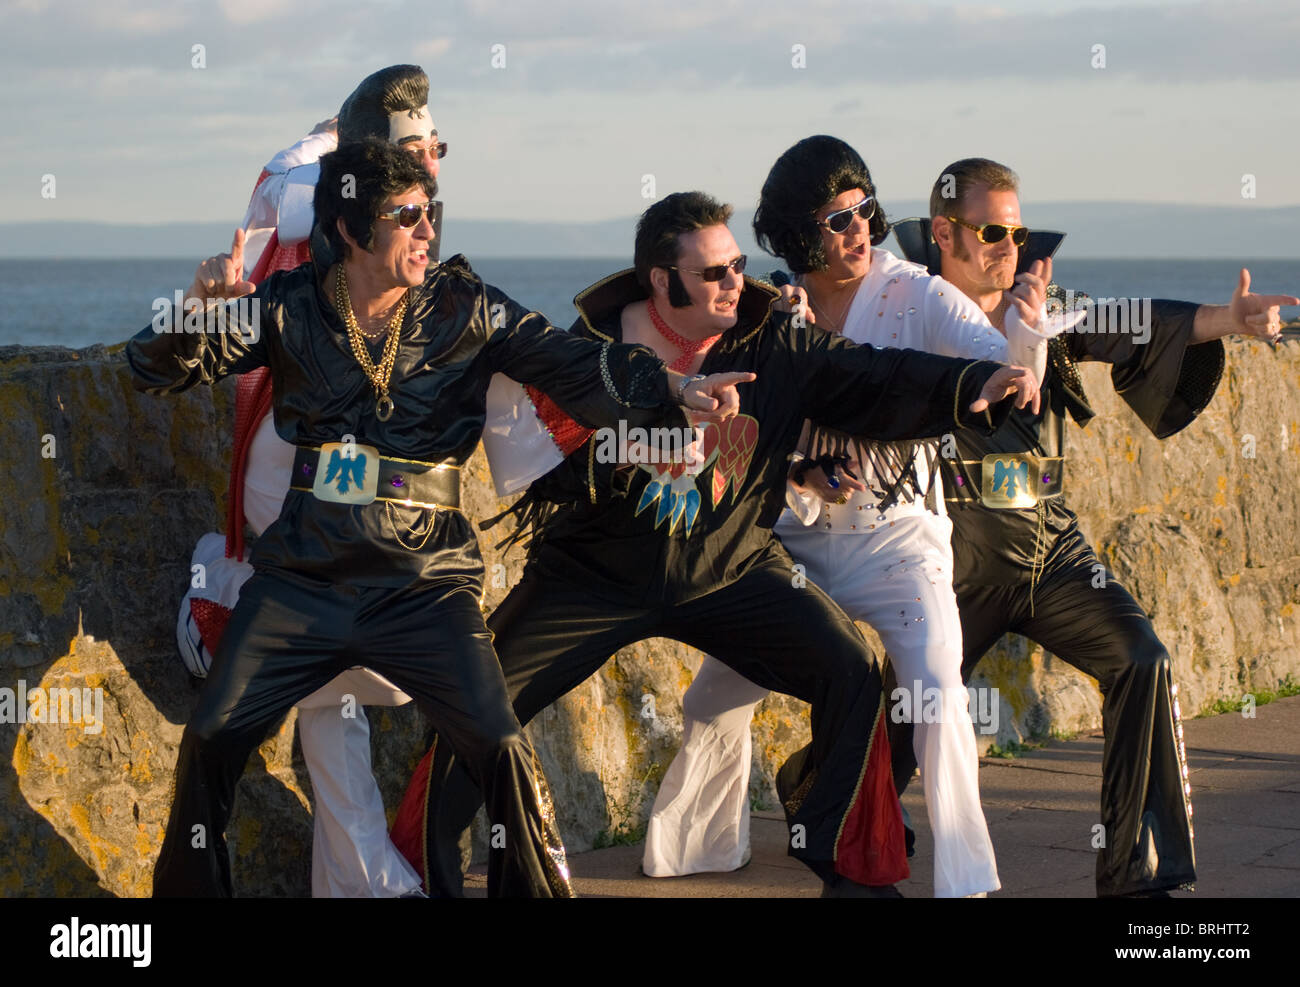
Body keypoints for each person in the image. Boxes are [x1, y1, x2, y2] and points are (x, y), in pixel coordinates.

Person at [132, 138, 750, 897]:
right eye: (409, 216)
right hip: (304, 578)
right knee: (210, 740)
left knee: (499, 744)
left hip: (424, 581)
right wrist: (196, 310)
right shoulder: (290, 308)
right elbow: (155, 367)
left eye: (434, 213)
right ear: (353, 232)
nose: (429, 231)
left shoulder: (469, 308)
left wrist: (671, 388)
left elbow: (571, 362)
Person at [392, 190, 1043, 898]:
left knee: (848, 668)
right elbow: (507, 405)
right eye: (713, 274)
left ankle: (851, 869)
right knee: (475, 696)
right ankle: (422, 873)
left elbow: (869, 373)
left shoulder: (774, 341)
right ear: (660, 282)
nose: (736, 282)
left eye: (737, 265)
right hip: (593, 577)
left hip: (731, 571)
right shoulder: (590, 354)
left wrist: (973, 377)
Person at [641, 136, 1064, 897]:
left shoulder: (916, 294)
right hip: (792, 539)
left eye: (865, 210)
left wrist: (1020, 352)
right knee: (713, 696)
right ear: (802, 233)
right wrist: (799, 466)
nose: (859, 230)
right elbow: (732, 417)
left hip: (897, 539)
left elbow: (991, 360)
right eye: (837, 220)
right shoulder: (769, 307)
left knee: (936, 690)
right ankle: (701, 841)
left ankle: (965, 881)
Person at [894, 157, 1296, 896]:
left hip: (1051, 548)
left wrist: (1224, 322)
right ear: (943, 232)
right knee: (897, 717)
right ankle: (822, 803)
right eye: (989, 231)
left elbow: (1132, 322)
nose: (1006, 246)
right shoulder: (906, 316)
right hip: (951, 558)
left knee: (1142, 659)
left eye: (1015, 231)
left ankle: (1137, 870)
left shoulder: (1042, 308)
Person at [175, 64, 447, 898]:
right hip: (295, 503)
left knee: (337, 700)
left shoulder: (407, 241)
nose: (432, 160)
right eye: (414, 146)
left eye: (439, 144)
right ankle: (370, 881)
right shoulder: (313, 235)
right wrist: (203, 309)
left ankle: (359, 880)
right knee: (354, 674)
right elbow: (216, 343)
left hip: (352, 521)